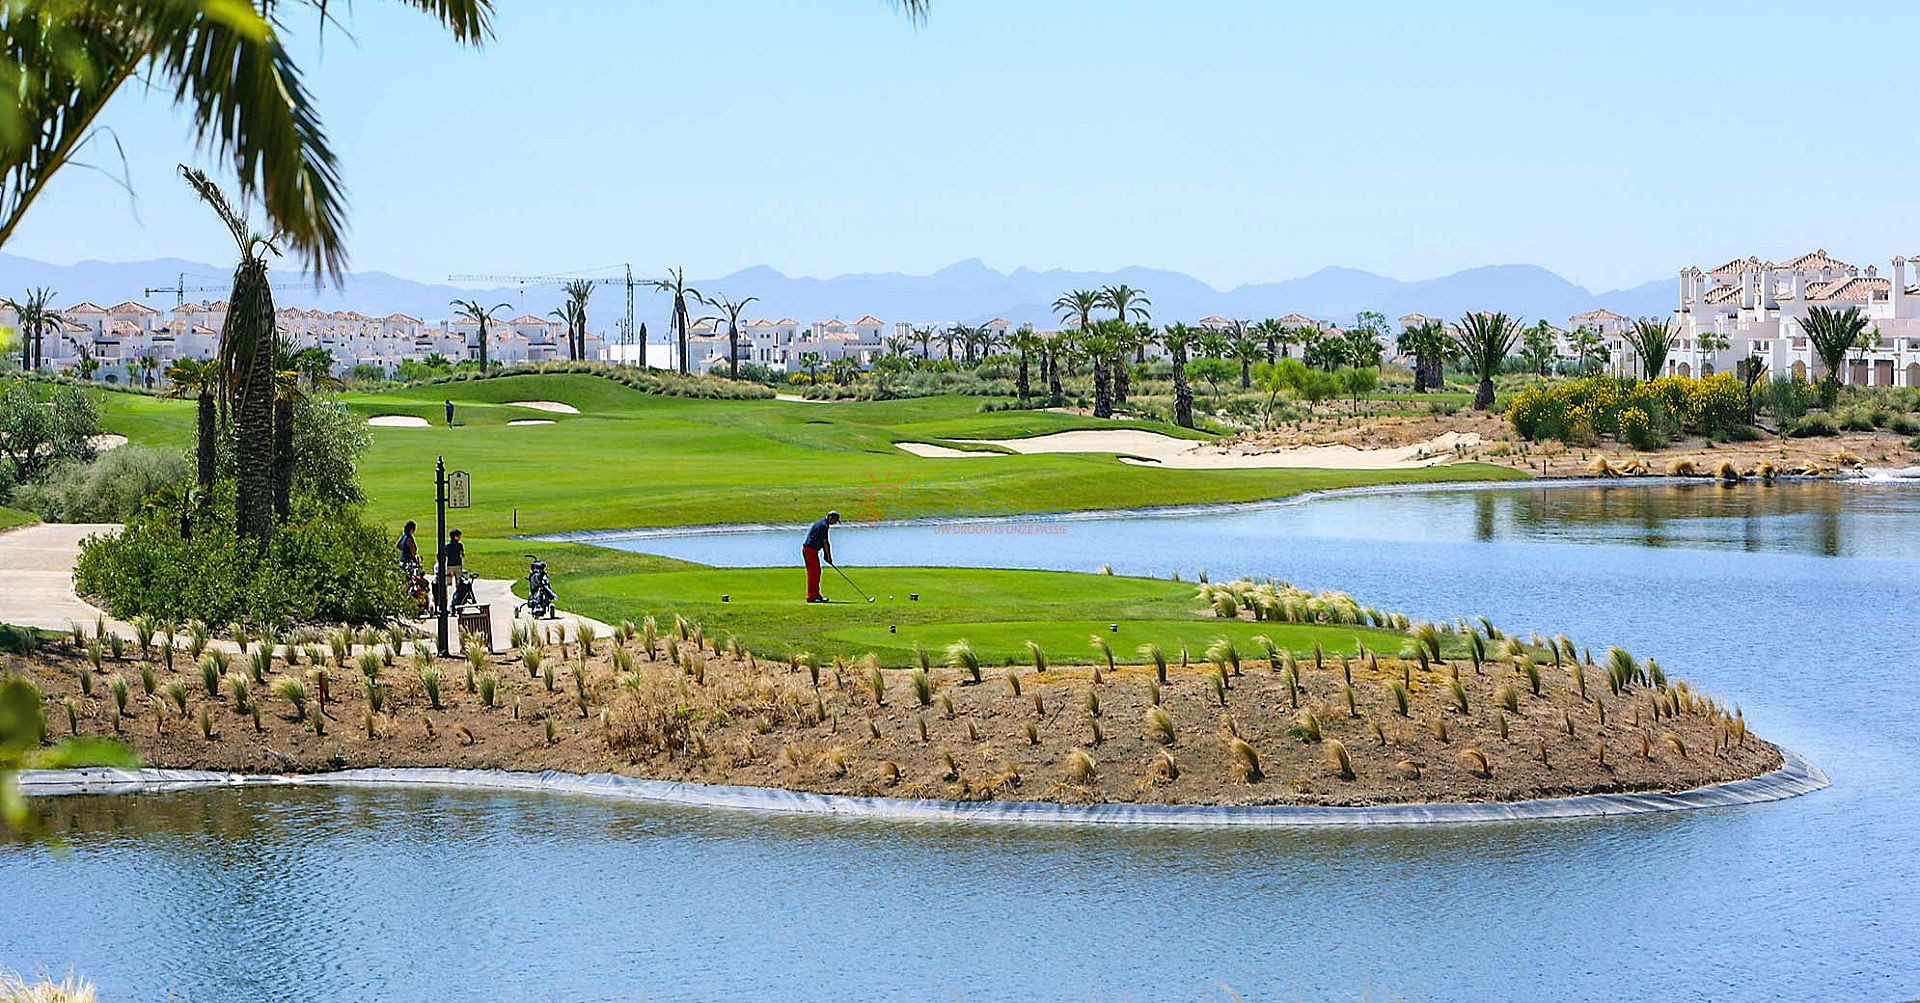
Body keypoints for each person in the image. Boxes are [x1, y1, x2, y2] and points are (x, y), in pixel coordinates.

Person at [801, 511, 839, 603]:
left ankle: (815, 595)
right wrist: (828, 557)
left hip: (811, 551)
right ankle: (811, 596)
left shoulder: (822, 523)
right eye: (835, 520)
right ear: (830, 518)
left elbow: (822, 542)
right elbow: (825, 542)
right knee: (813, 574)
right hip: (809, 550)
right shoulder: (823, 526)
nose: (835, 523)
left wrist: (826, 556)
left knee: (816, 573)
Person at [440, 528, 468, 606]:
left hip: (449, 566)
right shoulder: (459, 545)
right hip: (457, 566)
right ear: (455, 536)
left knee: (448, 584)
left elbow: (445, 555)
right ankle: (456, 601)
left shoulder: (447, 546)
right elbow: (462, 555)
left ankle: (448, 602)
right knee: (458, 584)